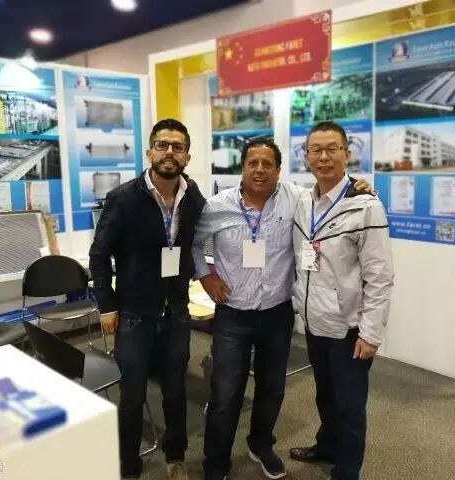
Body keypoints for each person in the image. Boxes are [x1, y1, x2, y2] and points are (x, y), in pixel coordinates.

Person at [192, 139, 371, 480]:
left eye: (267, 164)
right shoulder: (217, 207)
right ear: (243, 168)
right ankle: (216, 462)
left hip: (277, 313)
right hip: (233, 315)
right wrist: (206, 275)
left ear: (278, 169)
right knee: (226, 393)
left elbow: (330, 196)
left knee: (272, 388)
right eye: (253, 163)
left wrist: (358, 188)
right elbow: (194, 243)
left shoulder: (298, 199)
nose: (259, 170)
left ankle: (261, 445)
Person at [89, 119, 206, 480]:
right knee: (132, 395)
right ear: (149, 152)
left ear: (187, 156)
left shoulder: (194, 198)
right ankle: (129, 465)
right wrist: (107, 305)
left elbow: (199, 241)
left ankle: (175, 457)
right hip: (134, 315)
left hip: (176, 312)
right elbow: (99, 255)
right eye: (162, 145)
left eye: (178, 146)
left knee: (175, 390)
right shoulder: (123, 198)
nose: (169, 152)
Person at [288, 121, 394, 480]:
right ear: (306, 156)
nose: (324, 157)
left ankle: (346, 473)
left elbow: (380, 277)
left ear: (347, 154)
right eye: (315, 150)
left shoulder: (366, 207)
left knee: (350, 407)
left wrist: (371, 334)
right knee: (325, 396)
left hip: (349, 330)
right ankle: (327, 447)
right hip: (314, 321)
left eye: (332, 149)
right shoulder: (302, 200)